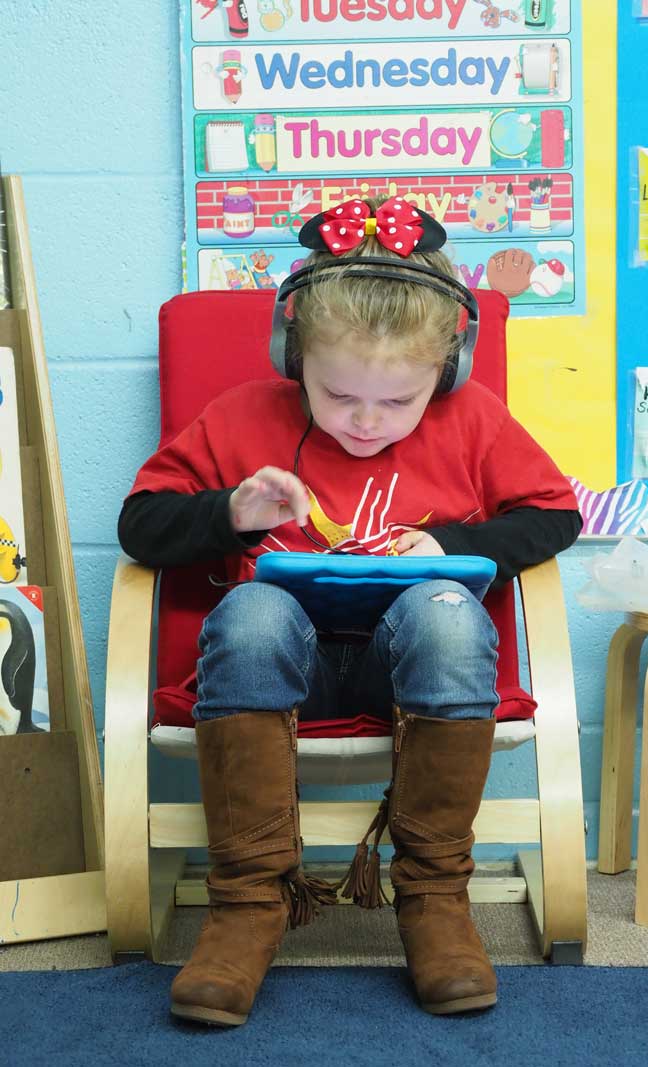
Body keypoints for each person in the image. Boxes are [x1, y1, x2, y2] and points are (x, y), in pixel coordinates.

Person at [118, 195, 582, 1027]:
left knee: (445, 610)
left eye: (397, 404)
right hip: (270, 674)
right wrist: (232, 512)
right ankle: (248, 904)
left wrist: (449, 545)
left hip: (411, 677)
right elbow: (140, 525)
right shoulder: (240, 416)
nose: (365, 423)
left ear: (447, 371)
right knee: (256, 609)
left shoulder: (470, 418)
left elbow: (555, 515)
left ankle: (435, 897)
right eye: (337, 396)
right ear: (292, 354)